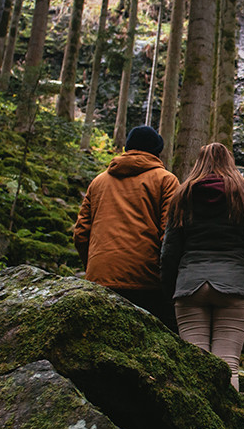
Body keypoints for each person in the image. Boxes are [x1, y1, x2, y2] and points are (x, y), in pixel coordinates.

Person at [160, 143, 244, 390]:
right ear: (230, 163)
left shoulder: (182, 196)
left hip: (190, 286)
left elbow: (169, 251)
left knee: (194, 366)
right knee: (229, 364)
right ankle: (227, 427)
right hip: (235, 287)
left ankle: (197, 427)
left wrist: (169, 292)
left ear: (197, 163)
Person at [73, 125, 179, 327]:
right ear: (157, 151)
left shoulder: (98, 182)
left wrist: (95, 266)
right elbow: (171, 235)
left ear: (127, 147)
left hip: (100, 278)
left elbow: (80, 233)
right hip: (147, 280)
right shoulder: (166, 180)